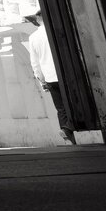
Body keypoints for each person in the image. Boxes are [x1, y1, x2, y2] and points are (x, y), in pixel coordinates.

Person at [25, 10, 76, 144]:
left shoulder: (33, 37)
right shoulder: (55, 31)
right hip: (65, 74)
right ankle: (68, 128)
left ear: (37, 21)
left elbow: (34, 62)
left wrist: (41, 80)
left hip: (49, 76)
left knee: (61, 109)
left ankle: (68, 138)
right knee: (75, 102)